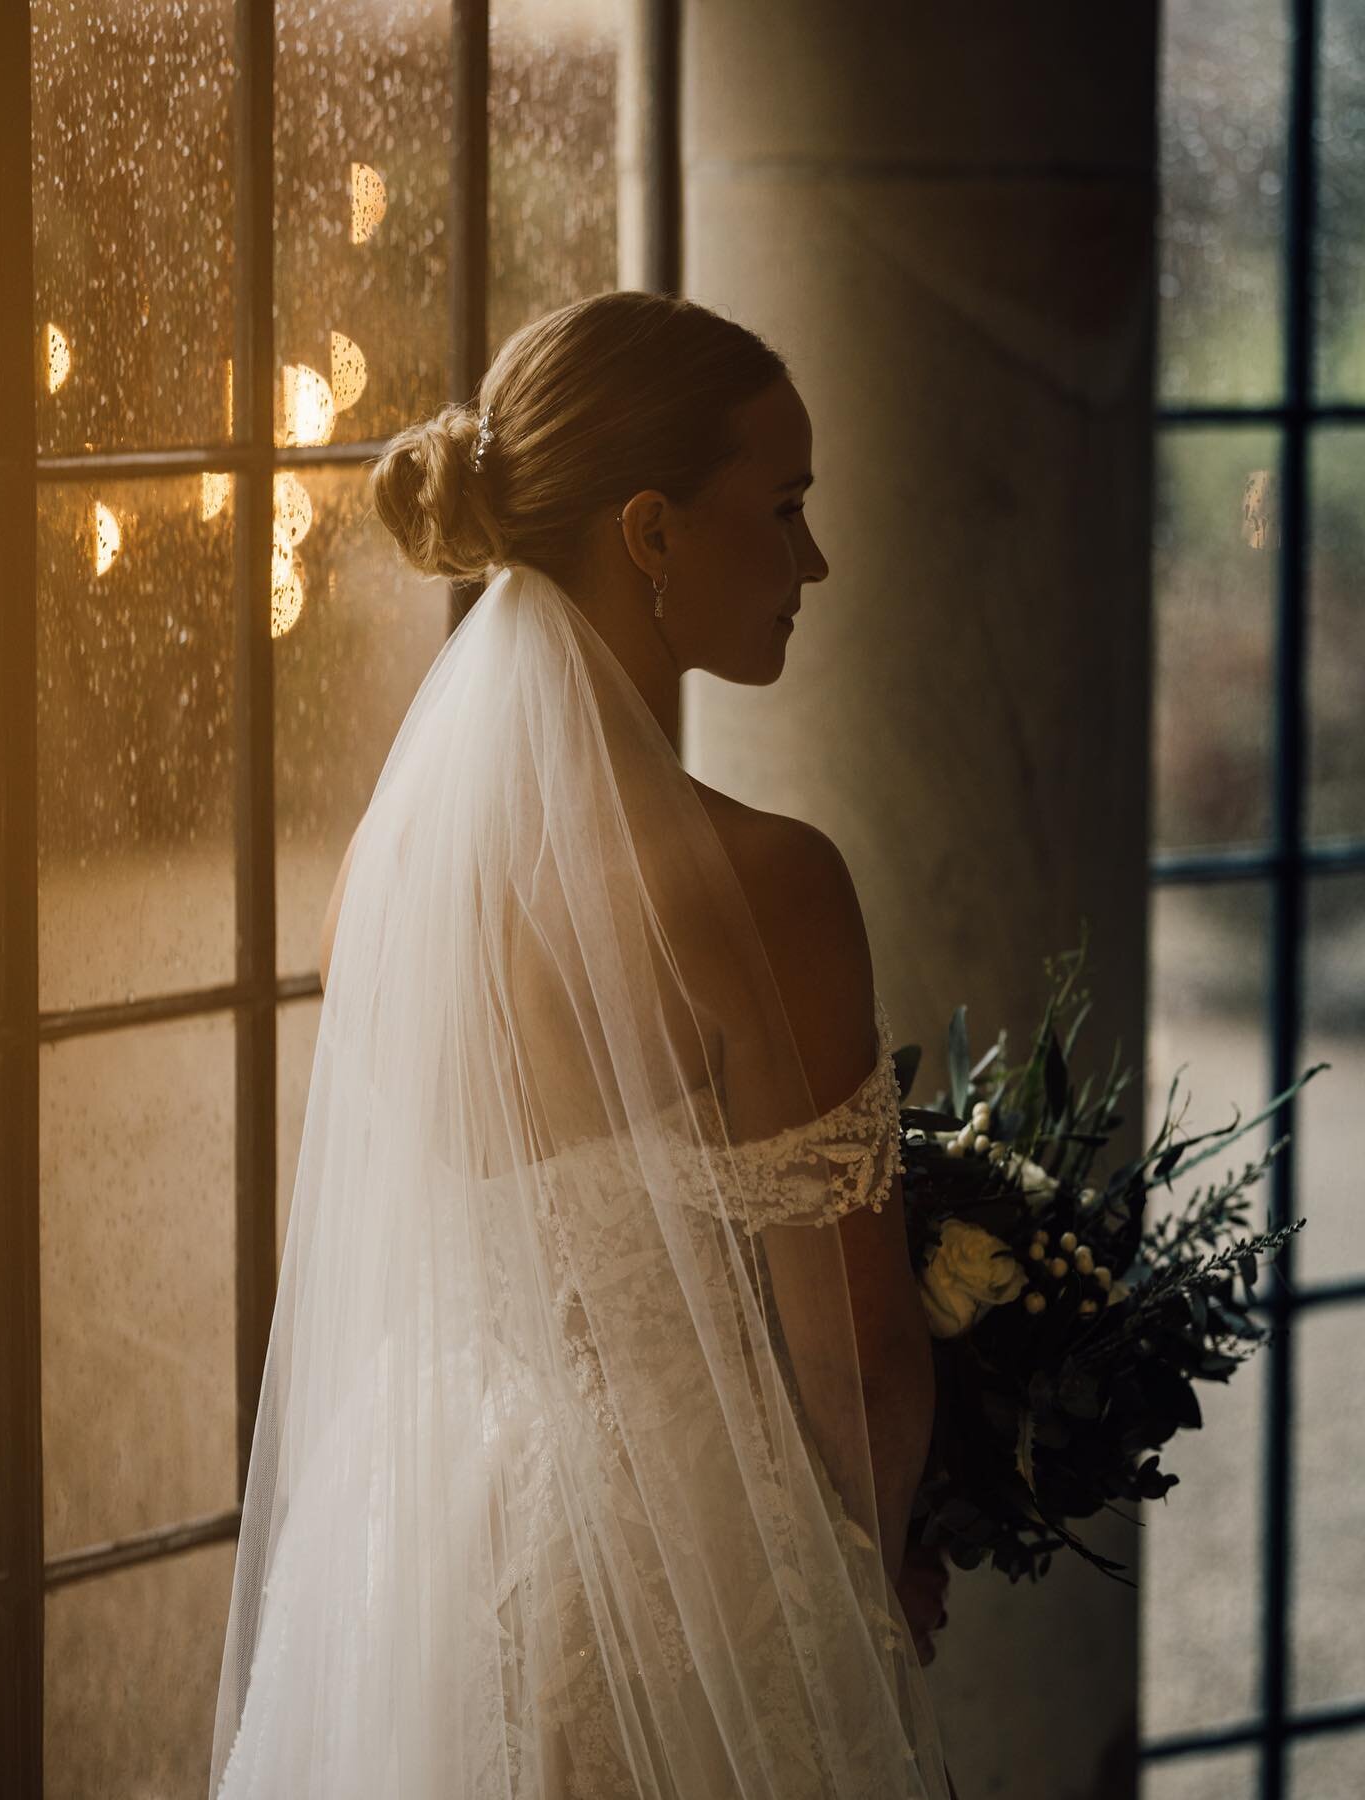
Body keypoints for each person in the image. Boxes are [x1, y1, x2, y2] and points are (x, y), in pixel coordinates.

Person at [209, 290, 957, 1798]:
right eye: (787, 506)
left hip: (421, 1556)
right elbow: (864, 1364)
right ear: (652, 532)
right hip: (703, 1588)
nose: (814, 561)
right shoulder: (765, 885)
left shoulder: (387, 875)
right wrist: (860, 1605)